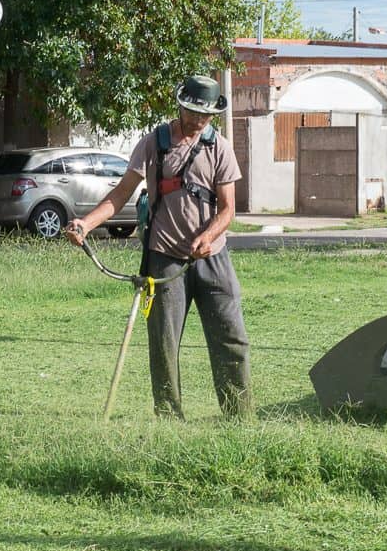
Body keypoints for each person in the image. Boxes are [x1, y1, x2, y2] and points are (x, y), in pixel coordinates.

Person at [65, 75, 252, 419]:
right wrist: (85, 224)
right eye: (194, 112)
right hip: (164, 258)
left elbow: (228, 209)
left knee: (232, 338)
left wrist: (208, 237)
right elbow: (120, 193)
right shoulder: (154, 143)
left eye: (206, 115)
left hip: (213, 258)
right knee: (164, 344)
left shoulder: (219, 147)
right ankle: (169, 418)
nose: (199, 120)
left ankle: (239, 418)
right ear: (180, 105)